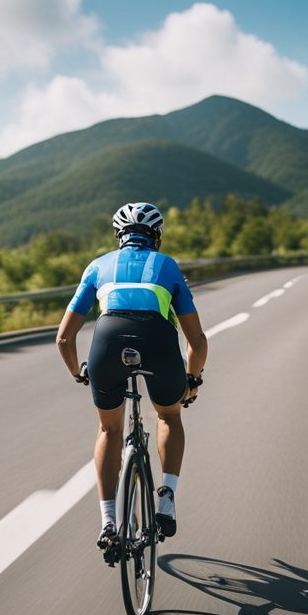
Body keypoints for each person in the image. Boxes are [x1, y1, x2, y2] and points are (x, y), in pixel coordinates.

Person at [56, 202, 208, 561]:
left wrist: (79, 371)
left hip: (107, 344)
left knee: (109, 430)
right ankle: (167, 499)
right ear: (156, 237)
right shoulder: (167, 266)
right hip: (158, 344)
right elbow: (197, 341)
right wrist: (193, 379)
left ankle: (108, 523)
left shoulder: (97, 266)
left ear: (118, 237)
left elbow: (64, 338)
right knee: (169, 416)